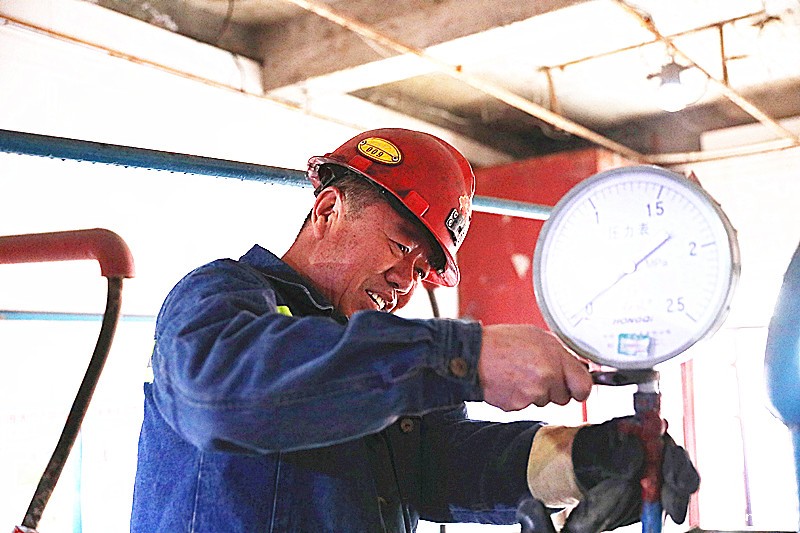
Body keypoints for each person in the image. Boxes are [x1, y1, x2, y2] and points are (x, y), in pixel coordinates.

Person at [131, 128, 699, 532]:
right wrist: (466, 356)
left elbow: (439, 464)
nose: (405, 282)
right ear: (328, 209)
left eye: (423, 269)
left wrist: (587, 458)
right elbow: (219, 391)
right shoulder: (223, 295)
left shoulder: (377, 360)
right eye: (401, 245)